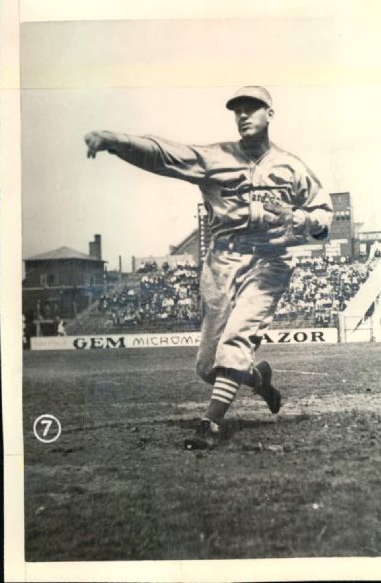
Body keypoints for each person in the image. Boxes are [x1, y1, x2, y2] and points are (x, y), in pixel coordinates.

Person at [84, 85, 333, 450]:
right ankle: (257, 379)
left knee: (237, 340)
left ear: (270, 113)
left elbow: (324, 218)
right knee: (207, 368)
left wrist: (296, 216)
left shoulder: (292, 167)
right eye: (238, 109)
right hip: (221, 262)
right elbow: (163, 154)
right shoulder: (215, 157)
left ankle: (211, 424)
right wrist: (114, 141)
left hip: (269, 261)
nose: (243, 115)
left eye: (252, 107)